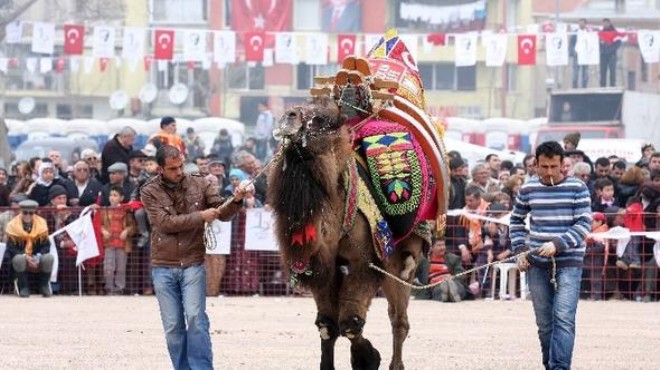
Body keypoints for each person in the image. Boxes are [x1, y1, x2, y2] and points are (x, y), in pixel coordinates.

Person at [140, 145, 251, 369]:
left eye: (180, 165)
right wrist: (200, 216)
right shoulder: (149, 191)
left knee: (196, 319)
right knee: (173, 326)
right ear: (160, 169)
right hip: (163, 264)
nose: (179, 171)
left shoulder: (200, 182)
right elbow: (164, 223)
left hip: (192, 262)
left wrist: (236, 199)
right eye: (173, 168)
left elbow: (222, 211)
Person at [509, 141, 592, 370]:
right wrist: (519, 251)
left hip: (569, 262)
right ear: (535, 164)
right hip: (537, 262)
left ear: (563, 165)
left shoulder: (577, 188)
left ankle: (559, 367)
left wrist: (559, 243)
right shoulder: (528, 189)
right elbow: (516, 221)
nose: (549, 172)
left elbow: (584, 223)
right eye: (544, 166)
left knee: (564, 317)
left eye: (554, 166)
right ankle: (550, 365)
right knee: (544, 323)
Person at [5, 199, 54, 297]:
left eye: (31, 213)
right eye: (25, 212)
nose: (28, 215)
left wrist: (38, 256)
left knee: (49, 257)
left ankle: (44, 286)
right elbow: (11, 248)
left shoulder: (41, 224)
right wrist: (25, 256)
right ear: (20, 211)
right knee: (19, 258)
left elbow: (46, 245)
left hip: (36, 258)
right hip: (21, 258)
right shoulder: (12, 225)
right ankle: (23, 286)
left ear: (34, 213)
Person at [101, 185, 135, 295]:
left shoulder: (126, 211)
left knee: (121, 268)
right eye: (111, 195)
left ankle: (119, 288)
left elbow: (133, 226)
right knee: (108, 267)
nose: (112, 197)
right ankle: (109, 288)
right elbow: (99, 224)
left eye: (115, 195)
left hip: (122, 244)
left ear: (121, 198)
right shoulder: (104, 210)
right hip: (109, 243)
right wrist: (103, 231)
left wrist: (126, 231)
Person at [413, 238, 471, 302]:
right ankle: (448, 294)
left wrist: (452, 277)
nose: (442, 247)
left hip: (452, 281)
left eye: (443, 245)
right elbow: (412, 275)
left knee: (457, 286)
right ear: (431, 247)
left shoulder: (453, 258)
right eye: (439, 245)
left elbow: (461, 273)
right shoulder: (423, 260)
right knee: (439, 289)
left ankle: (452, 292)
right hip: (435, 285)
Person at [599, 18, 621, 87]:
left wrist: (611, 49)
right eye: (604, 23)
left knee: (612, 72)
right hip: (603, 55)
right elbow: (597, 43)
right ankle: (602, 87)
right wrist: (601, 49)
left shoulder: (614, 32)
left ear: (609, 23)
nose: (605, 24)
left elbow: (618, 43)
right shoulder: (601, 33)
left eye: (606, 23)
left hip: (612, 55)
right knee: (603, 72)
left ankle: (612, 86)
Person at [569, 18, 590, 88]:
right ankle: (574, 88)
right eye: (580, 23)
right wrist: (573, 52)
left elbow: (592, 43)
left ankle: (584, 87)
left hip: (585, 55)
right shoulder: (575, 32)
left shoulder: (588, 32)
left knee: (585, 74)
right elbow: (571, 43)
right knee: (575, 73)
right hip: (577, 55)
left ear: (585, 24)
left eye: (582, 23)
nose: (581, 24)